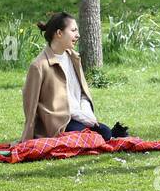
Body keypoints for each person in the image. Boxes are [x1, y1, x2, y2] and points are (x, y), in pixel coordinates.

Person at [19, 12, 113, 143]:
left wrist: (87, 114)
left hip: (78, 118)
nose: (77, 35)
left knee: (106, 132)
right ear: (59, 33)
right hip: (58, 125)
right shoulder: (39, 66)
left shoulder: (73, 57)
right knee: (85, 136)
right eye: (73, 30)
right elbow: (30, 106)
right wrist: (28, 137)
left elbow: (82, 92)